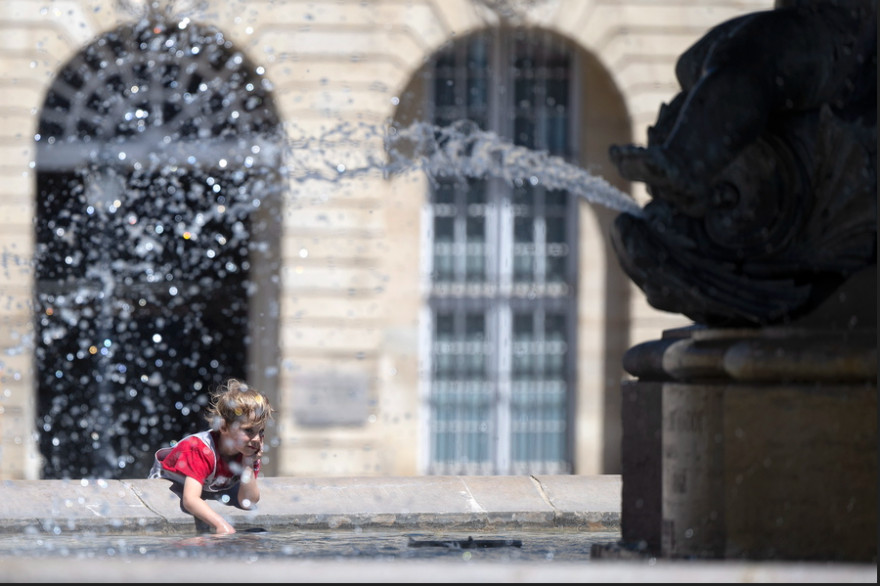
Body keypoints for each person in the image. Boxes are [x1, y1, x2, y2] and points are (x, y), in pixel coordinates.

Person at [148, 379, 274, 534]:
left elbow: (248, 502)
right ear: (223, 426)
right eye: (248, 431)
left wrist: (248, 463)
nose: (256, 439)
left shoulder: (247, 450)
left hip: (209, 485)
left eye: (260, 432)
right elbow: (190, 499)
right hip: (165, 486)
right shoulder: (200, 450)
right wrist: (222, 525)